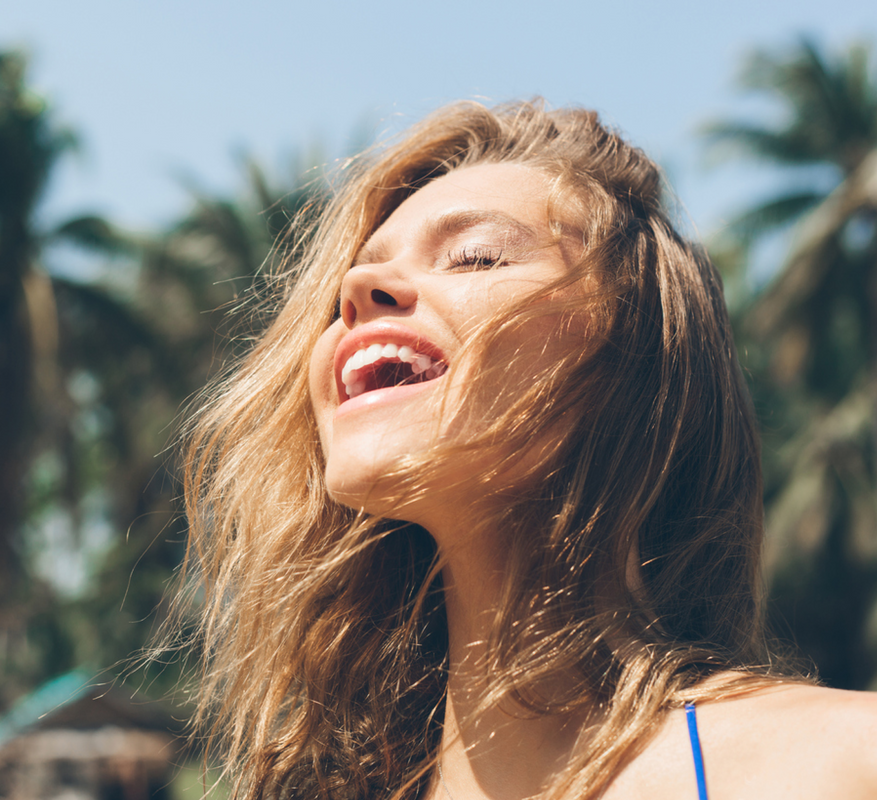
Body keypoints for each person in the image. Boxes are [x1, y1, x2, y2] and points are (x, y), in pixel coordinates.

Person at [174, 100, 877, 799]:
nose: (356, 290)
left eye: (473, 257)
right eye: (346, 289)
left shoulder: (838, 766)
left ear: (633, 345)